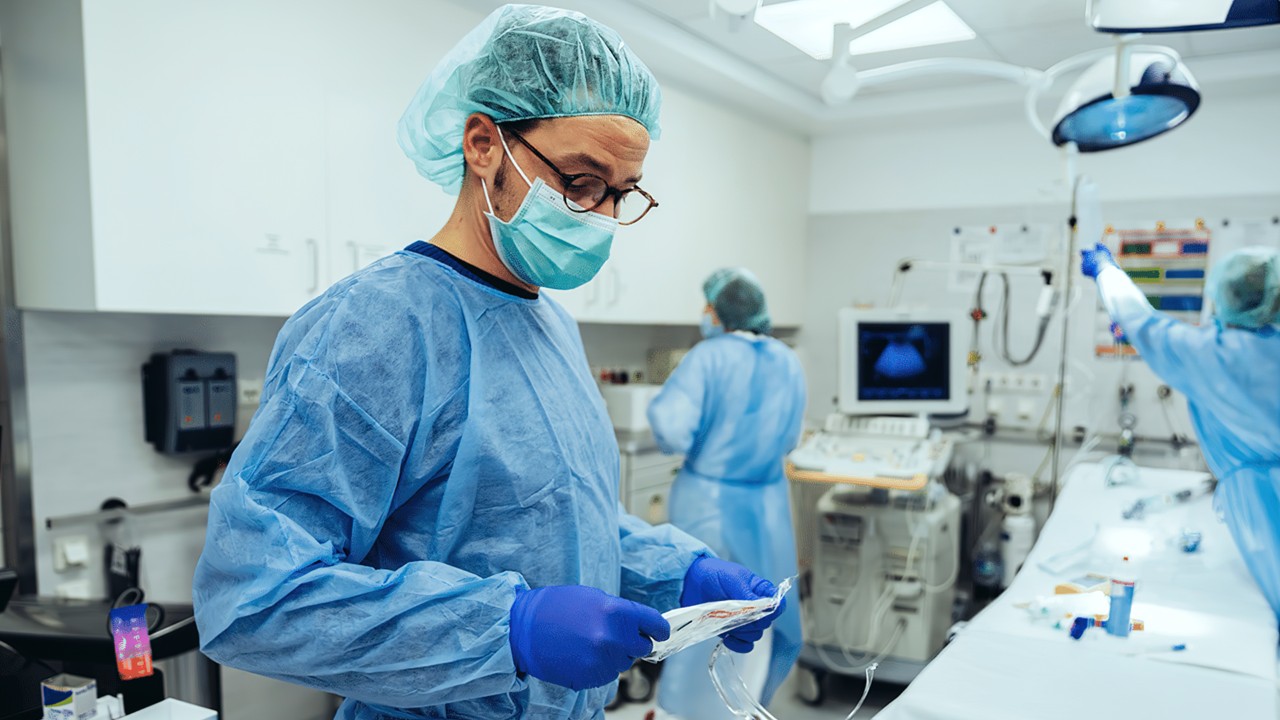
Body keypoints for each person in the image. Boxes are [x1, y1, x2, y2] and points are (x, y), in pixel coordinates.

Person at [191, 6, 784, 719]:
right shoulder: (377, 325)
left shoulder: (550, 325)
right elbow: (251, 598)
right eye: (580, 181)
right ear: (482, 144)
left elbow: (556, 524)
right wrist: (508, 629)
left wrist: (678, 574)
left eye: (621, 193)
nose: (598, 216)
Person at [1082, 242, 1280, 623]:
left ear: (1224, 298)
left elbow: (1141, 321)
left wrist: (1107, 271)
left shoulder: (1217, 354)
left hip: (1265, 499)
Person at [648, 268, 807, 719]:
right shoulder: (787, 359)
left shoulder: (708, 357)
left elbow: (672, 428)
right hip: (768, 503)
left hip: (709, 503)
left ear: (719, 312)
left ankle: (683, 712)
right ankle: (749, 708)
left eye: (707, 306)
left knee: (704, 617)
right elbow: (791, 438)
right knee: (766, 614)